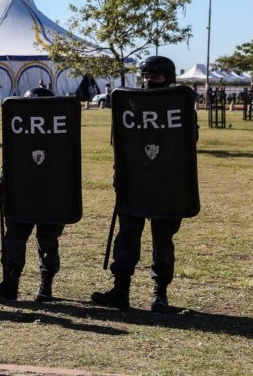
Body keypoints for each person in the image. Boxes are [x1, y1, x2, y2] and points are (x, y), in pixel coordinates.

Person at [91, 55, 188, 314]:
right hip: (135, 183)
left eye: (154, 77)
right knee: (127, 237)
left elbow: (188, 141)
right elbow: (121, 141)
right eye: (145, 77)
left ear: (167, 78)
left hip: (166, 184)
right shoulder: (132, 104)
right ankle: (120, 291)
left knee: (162, 240)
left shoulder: (179, 105)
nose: (148, 82)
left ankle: (160, 295)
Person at [0, 86, 64, 302]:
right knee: (14, 239)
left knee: (47, 241)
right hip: (22, 194)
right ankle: (10, 284)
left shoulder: (60, 132)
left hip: (50, 194)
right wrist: (1, 187)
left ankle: (45, 287)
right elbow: (9, 160)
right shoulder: (19, 127)